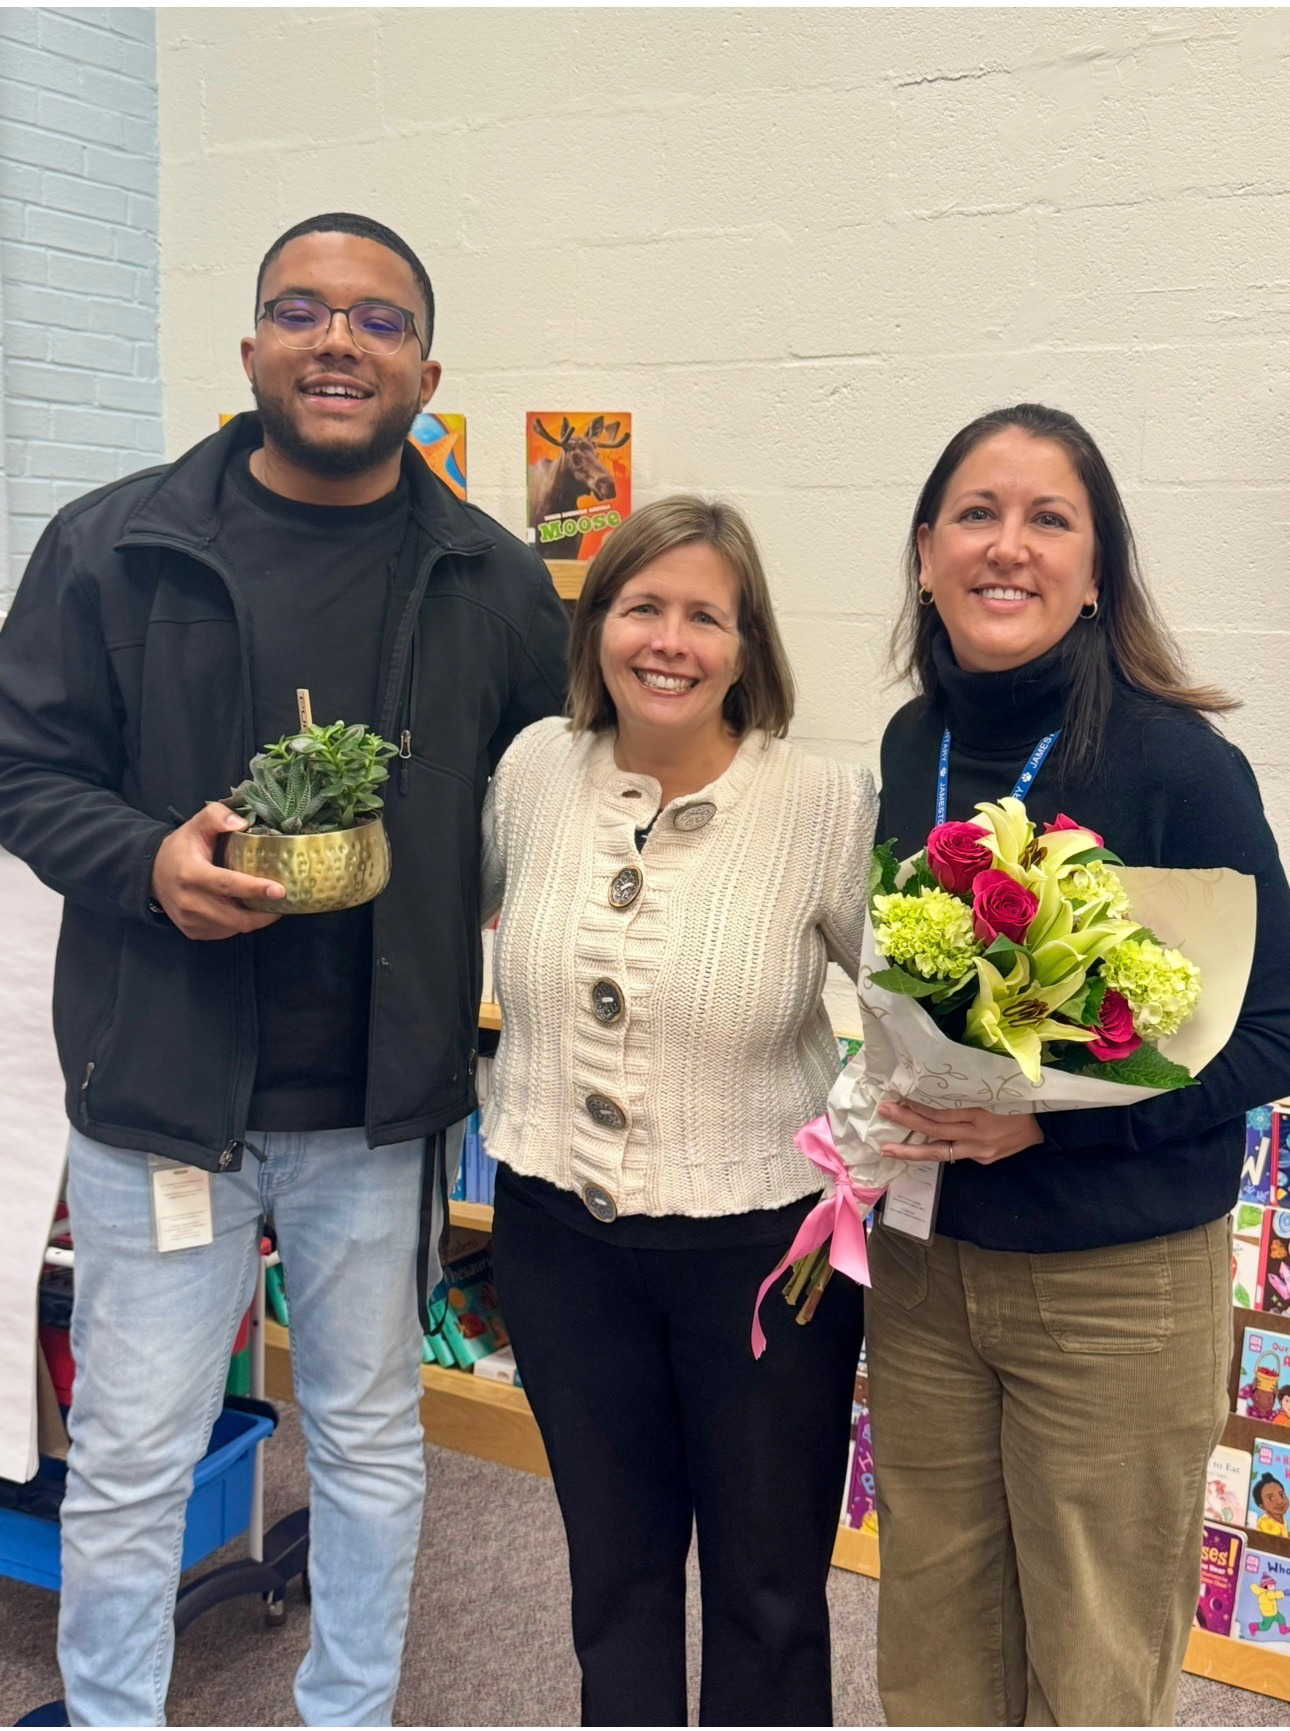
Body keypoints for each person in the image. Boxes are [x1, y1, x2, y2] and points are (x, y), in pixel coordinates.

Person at [0, 211, 567, 1726]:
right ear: (252, 346)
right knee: (131, 1453)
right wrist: (147, 864)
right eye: (303, 311)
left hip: (377, 1112)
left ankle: (348, 1712)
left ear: (425, 372)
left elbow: (559, 794)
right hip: (161, 1092)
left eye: (379, 321)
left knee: (371, 1440)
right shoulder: (109, 547)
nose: (338, 342)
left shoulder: (496, 581)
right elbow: (22, 767)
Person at [862, 402, 1290, 1726]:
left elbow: (1274, 1027)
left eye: (1048, 519)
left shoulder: (1175, 762)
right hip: (927, 1267)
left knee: (1094, 1666)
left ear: (1096, 569)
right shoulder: (910, 744)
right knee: (931, 1641)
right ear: (925, 552)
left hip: (1113, 1284)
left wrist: (1057, 1121)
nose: (1008, 545)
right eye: (975, 514)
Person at [480, 496, 875, 1727]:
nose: (669, 641)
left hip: (761, 1257)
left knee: (768, 1590)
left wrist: (867, 1146)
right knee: (615, 1579)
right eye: (641, 607)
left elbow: (919, 1011)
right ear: (596, 625)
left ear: (748, 648)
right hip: (558, 1242)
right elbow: (455, 914)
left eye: (706, 616)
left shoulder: (822, 804)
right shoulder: (532, 770)